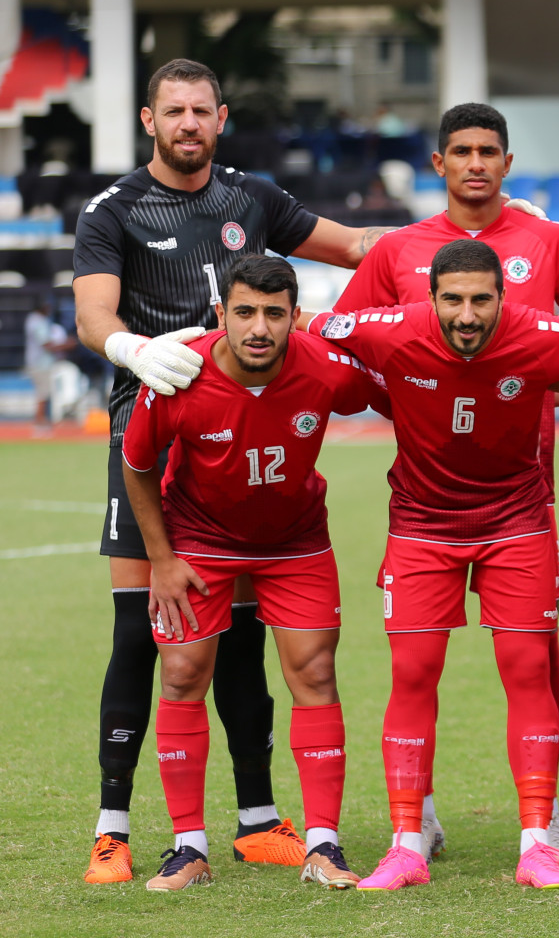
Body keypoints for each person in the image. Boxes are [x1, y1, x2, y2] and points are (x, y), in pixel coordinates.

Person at [72, 58, 397, 884]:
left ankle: (257, 819)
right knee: (144, 636)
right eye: (172, 111)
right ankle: (113, 827)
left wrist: (458, 237)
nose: (188, 123)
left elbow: (356, 246)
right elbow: (93, 313)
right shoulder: (114, 210)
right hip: (149, 434)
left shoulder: (250, 199)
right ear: (150, 120)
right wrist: (135, 351)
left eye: (201, 111)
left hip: (245, 429)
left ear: (221, 118)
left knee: (246, 636)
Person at [334, 102, 559, 866]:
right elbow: (350, 349)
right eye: (459, 150)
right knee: (416, 665)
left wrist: (533, 388)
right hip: (426, 490)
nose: (474, 163)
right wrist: (411, 392)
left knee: (535, 655)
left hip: (526, 486)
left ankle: (545, 817)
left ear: (507, 161)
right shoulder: (399, 248)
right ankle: (416, 815)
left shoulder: (549, 240)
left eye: (488, 150)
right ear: (438, 164)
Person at [119, 256, 383, 891]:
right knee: (182, 674)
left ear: (295, 316)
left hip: (296, 543)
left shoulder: (324, 368)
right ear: (221, 316)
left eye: (273, 313)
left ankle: (324, 843)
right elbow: (137, 464)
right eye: (244, 312)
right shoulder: (180, 376)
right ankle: (188, 848)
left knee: (315, 673)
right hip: (201, 543)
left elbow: (394, 386)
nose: (258, 327)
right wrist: (160, 559)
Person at [25, 295, 73, 429]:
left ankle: (42, 419)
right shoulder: (37, 321)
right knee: (43, 392)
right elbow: (46, 344)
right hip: (40, 363)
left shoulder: (35, 319)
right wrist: (67, 344)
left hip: (40, 362)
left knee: (44, 392)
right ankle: (39, 420)